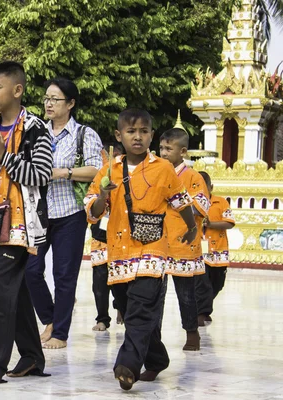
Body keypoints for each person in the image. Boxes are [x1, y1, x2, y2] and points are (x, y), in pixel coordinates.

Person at [85, 109, 197, 391]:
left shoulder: (163, 168)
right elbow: (93, 212)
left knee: (142, 307)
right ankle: (157, 357)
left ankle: (127, 365)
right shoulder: (108, 169)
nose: (138, 137)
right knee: (128, 307)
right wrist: (103, 194)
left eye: (144, 131)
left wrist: (192, 227)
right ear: (118, 135)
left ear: (151, 135)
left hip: (152, 248)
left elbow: (180, 200)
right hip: (120, 250)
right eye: (131, 131)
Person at [0, 61, 53, 382]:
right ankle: (31, 356)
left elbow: (41, 175)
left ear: (17, 90)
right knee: (15, 291)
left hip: (24, 222)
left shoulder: (36, 129)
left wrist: (5, 156)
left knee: (1, 289)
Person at [24, 77, 103, 349]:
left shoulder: (84, 134)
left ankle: (60, 333)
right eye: (46, 98)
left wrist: (63, 173)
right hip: (40, 212)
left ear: (70, 104)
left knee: (64, 275)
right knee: (30, 270)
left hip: (70, 213)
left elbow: (96, 169)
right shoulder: (35, 132)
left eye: (55, 99)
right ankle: (49, 319)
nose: (48, 103)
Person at [159, 125, 210, 351]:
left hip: (183, 243)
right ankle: (153, 335)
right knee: (154, 296)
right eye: (161, 148)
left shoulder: (193, 176)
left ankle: (192, 333)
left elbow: (201, 206)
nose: (163, 153)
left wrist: (177, 201)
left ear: (183, 152)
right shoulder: (156, 172)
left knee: (186, 295)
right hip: (158, 243)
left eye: (168, 148)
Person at [90, 142, 124, 332]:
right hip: (99, 236)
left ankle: (121, 308)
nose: (112, 160)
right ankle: (102, 318)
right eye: (108, 155)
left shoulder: (127, 174)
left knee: (120, 277)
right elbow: (92, 201)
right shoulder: (100, 172)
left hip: (120, 235)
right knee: (99, 281)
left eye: (116, 155)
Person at [195, 171, 235, 322]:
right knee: (202, 282)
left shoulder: (221, 202)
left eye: (205, 188)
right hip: (201, 247)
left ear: (211, 187)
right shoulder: (192, 204)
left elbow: (229, 223)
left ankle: (203, 307)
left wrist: (211, 224)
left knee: (217, 283)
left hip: (218, 248)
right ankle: (201, 312)